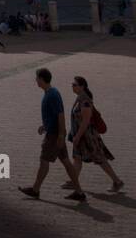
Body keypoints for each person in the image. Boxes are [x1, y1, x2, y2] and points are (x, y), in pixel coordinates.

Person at [19, 68, 86, 202]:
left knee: (44, 161)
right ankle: (79, 192)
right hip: (54, 132)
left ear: (42, 79)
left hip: (54, 135)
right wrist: (45, 126)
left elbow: (60, 115)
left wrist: (61, 135)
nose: (36, 81)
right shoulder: (50, 93)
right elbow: (53, 115)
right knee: (67, 163)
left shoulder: (52, 95)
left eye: (37, 78)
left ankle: (35, 190)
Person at [62, 76, 124, 193]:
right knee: (78, 158)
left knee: (100, 159)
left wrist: (78, 136)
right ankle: (73, 181)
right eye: (72, 85)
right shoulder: (80, 98)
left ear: (82, 86)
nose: (72, 87)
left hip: (88, 137)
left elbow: (85, 121)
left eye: (74, 85)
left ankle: (117, 181)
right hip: (81, 135)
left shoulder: (85, 101)